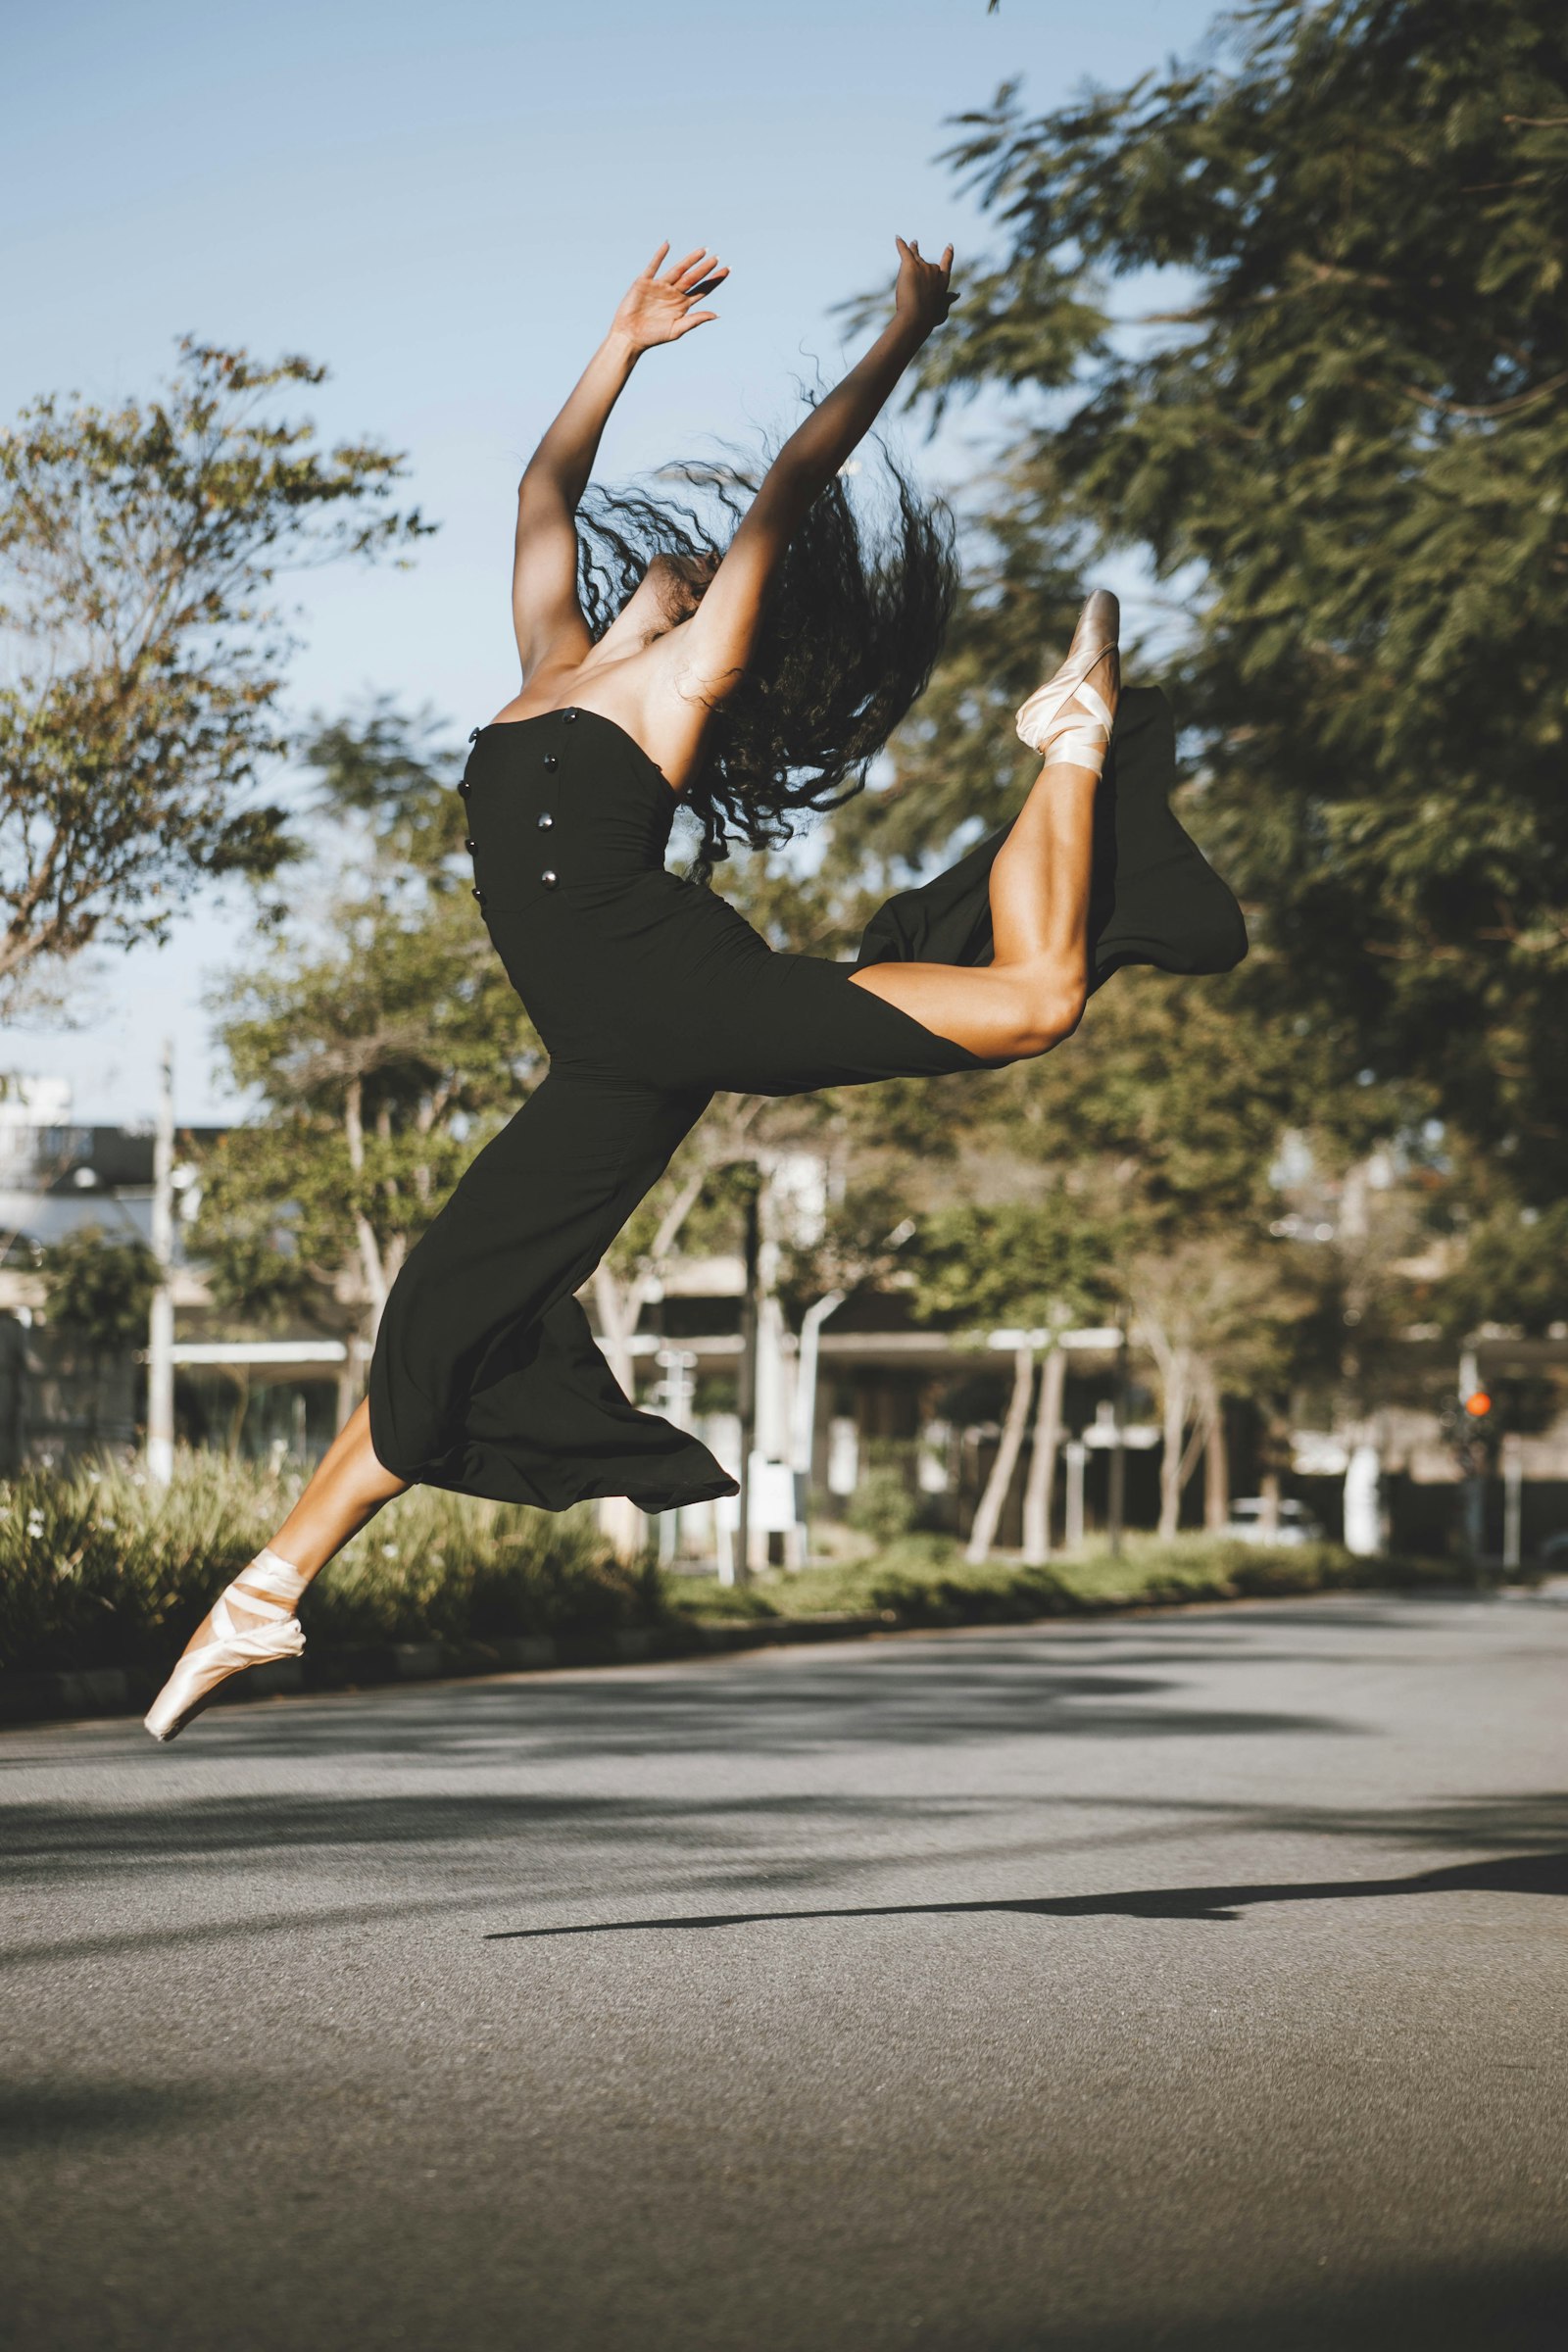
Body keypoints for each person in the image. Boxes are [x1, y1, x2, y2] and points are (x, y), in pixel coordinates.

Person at [145, 238, 1244, 1742]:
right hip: (606, 1058)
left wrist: (904, 328)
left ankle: (1070, 735)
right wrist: (623, 341)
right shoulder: (543, 666)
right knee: (448, 1303)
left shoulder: (682, 679)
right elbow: (543, 490)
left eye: (687, 579)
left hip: (690, 1001)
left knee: (1039, 1003)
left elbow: (796, 478)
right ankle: (264, 1594)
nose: (659, 567)